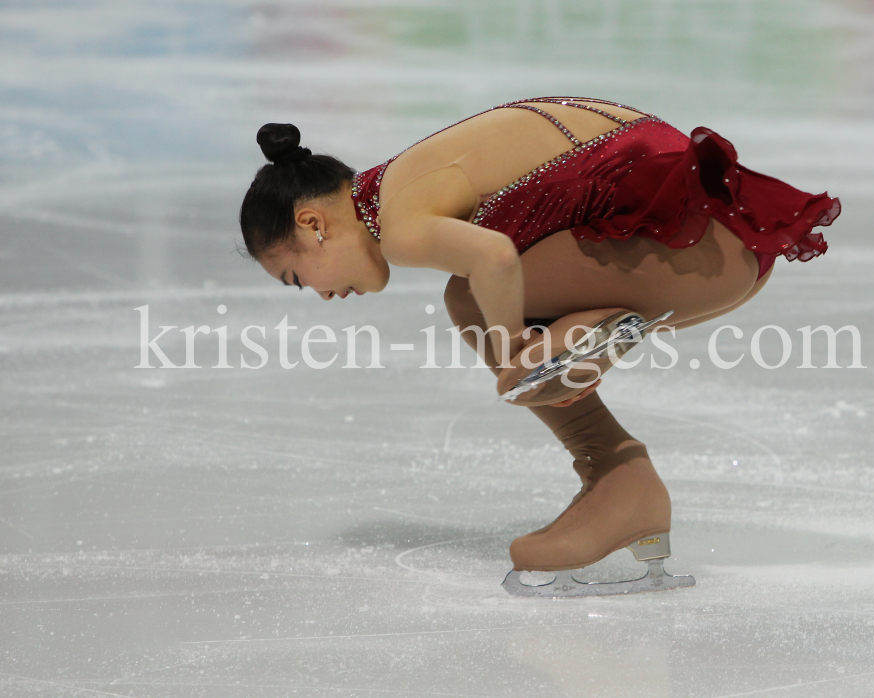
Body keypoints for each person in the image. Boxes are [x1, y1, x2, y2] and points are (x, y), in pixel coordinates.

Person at [239, 97, 840, 596]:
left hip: (685, 251)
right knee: (481, 301)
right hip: (714, 249)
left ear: (313, 225)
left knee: (473, 300)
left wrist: (515, 349)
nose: (317, 295)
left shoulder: (398, 222)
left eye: (295, 277)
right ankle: (623, 480)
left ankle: (595, 419)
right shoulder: (400, 183)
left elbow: (495, 257)